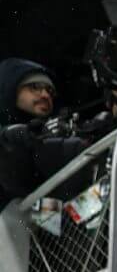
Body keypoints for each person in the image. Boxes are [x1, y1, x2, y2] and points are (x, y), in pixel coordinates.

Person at [0, 58, 98, 203]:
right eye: (35, 87)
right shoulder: (7, 138)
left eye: (50, 91)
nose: (45, 95)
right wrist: (12, 136)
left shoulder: (60, 131)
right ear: (10, 87)